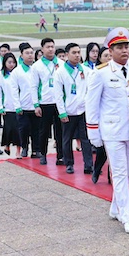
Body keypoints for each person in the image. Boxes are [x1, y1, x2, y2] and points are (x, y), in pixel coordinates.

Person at [86, 27, 129, 234]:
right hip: (112, 130)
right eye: (119, 47)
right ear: (111, 50)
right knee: (119, 172)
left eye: (126, 46)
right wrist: (93, 131)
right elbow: (92, 104)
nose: (124, 50)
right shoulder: (101, 73)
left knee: (127, 171)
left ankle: (116, 207)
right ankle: (127, 216)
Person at [54, 43, 93, 175]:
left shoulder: (85, 70)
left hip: (83, 110)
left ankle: (88, 165)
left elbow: (90, 89)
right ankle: (69, 163)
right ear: (67, 55)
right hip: (68, 111)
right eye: (74, 53)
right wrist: (62, 112)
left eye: (78, 52)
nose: (77, 55)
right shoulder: (60, 72)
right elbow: (58, 95)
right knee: (67, 138)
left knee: (85, 138)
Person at [30, 37, 65, 165]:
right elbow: (34, 86)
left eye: (52, 46)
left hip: (59, 102)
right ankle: (43, 154)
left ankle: (61, 156)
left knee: (60, 131)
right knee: (44, 131)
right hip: (45, 102)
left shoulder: (61, 64)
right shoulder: (37, 66)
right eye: (48, 47)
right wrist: (36, 104)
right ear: (42, 49)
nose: (50, 49)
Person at [12, 43, 40, 158]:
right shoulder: (17, 71)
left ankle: (36, 150)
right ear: (21, 55)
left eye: (31, 53)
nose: (30, 55)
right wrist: (17, 106)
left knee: (36, 129)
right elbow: (14, 90)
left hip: (36, 106)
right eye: (27, 53)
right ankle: (24, 147)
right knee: (23, 129)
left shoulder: (37, 68)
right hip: (23, 106)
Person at [91, 46, 113, 184]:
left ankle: (112, 176)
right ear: (100, 58)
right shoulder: (97, 73)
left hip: (115, 119)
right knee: (102, 151)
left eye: (110, 55)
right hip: (102, 118)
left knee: (115, 151)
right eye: (105, 56)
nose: (109, 58)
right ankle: (97, 169)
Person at [0, 53, 22, 157]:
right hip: (7, 106)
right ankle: (7, 145)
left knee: (18, 129)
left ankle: (18, 150)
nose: (11, 64)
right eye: (9, 62)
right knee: (8, 128)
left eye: (13, 62)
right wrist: (0, 107)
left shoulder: (18, 73)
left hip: (19, 106)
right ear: (4, 63)